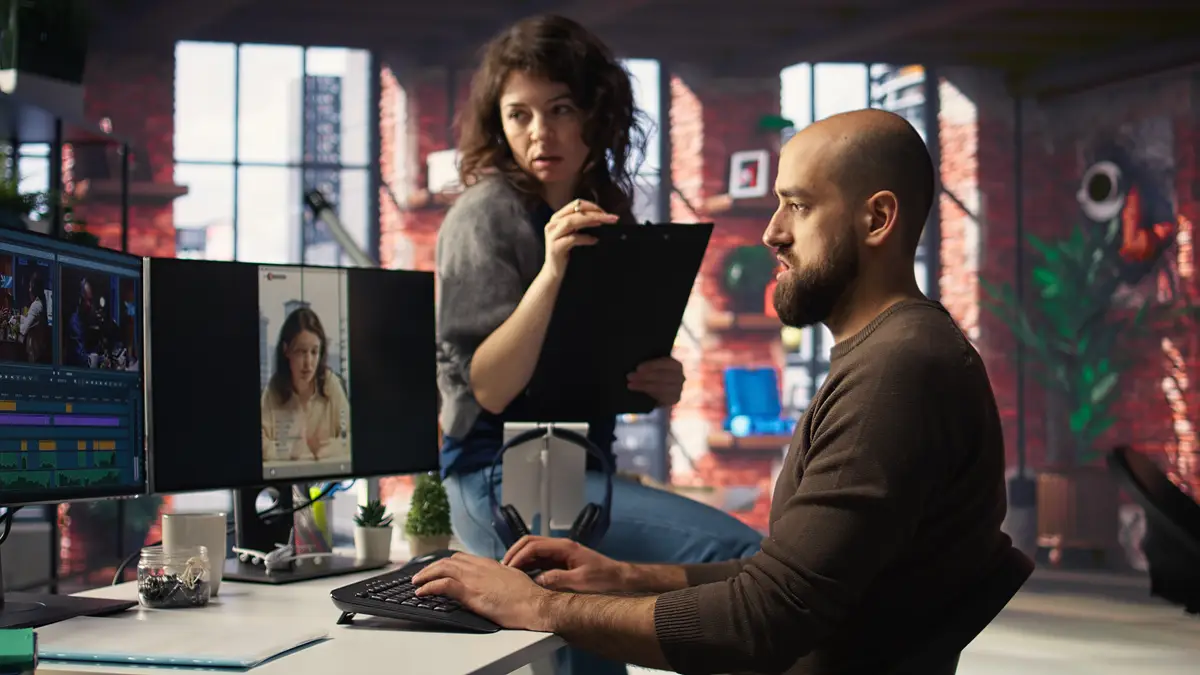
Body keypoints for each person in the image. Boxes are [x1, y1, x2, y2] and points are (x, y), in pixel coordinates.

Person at [413, 108, 1015, 675]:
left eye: (798, 207)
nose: (772, 233)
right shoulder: (893, 354)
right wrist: (622, 577)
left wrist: (539, 608)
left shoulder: (897, 374)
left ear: (877, 219)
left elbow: (767, 617)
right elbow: (788, 580)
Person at [435, 14, 762, 675]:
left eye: (560, 109)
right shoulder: (485, 214)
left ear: (596, 114)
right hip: (495, 476)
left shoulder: (607, 207)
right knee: (749, 560)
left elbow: (593, 370)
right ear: (498, 122)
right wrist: (554, 270)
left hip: (580, 470)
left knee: (593, 655)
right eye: (519, 114)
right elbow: (490, 387)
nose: (539, 133)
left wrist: (655, 379)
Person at [261, 307, 350, 462]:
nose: (308, 363)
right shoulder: (274, 389)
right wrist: (291, 453)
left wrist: (323, 451)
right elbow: (260, 444)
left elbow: (352, 438)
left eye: (314, 352)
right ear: (286, 351)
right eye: (301, 352)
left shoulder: (330, 384)